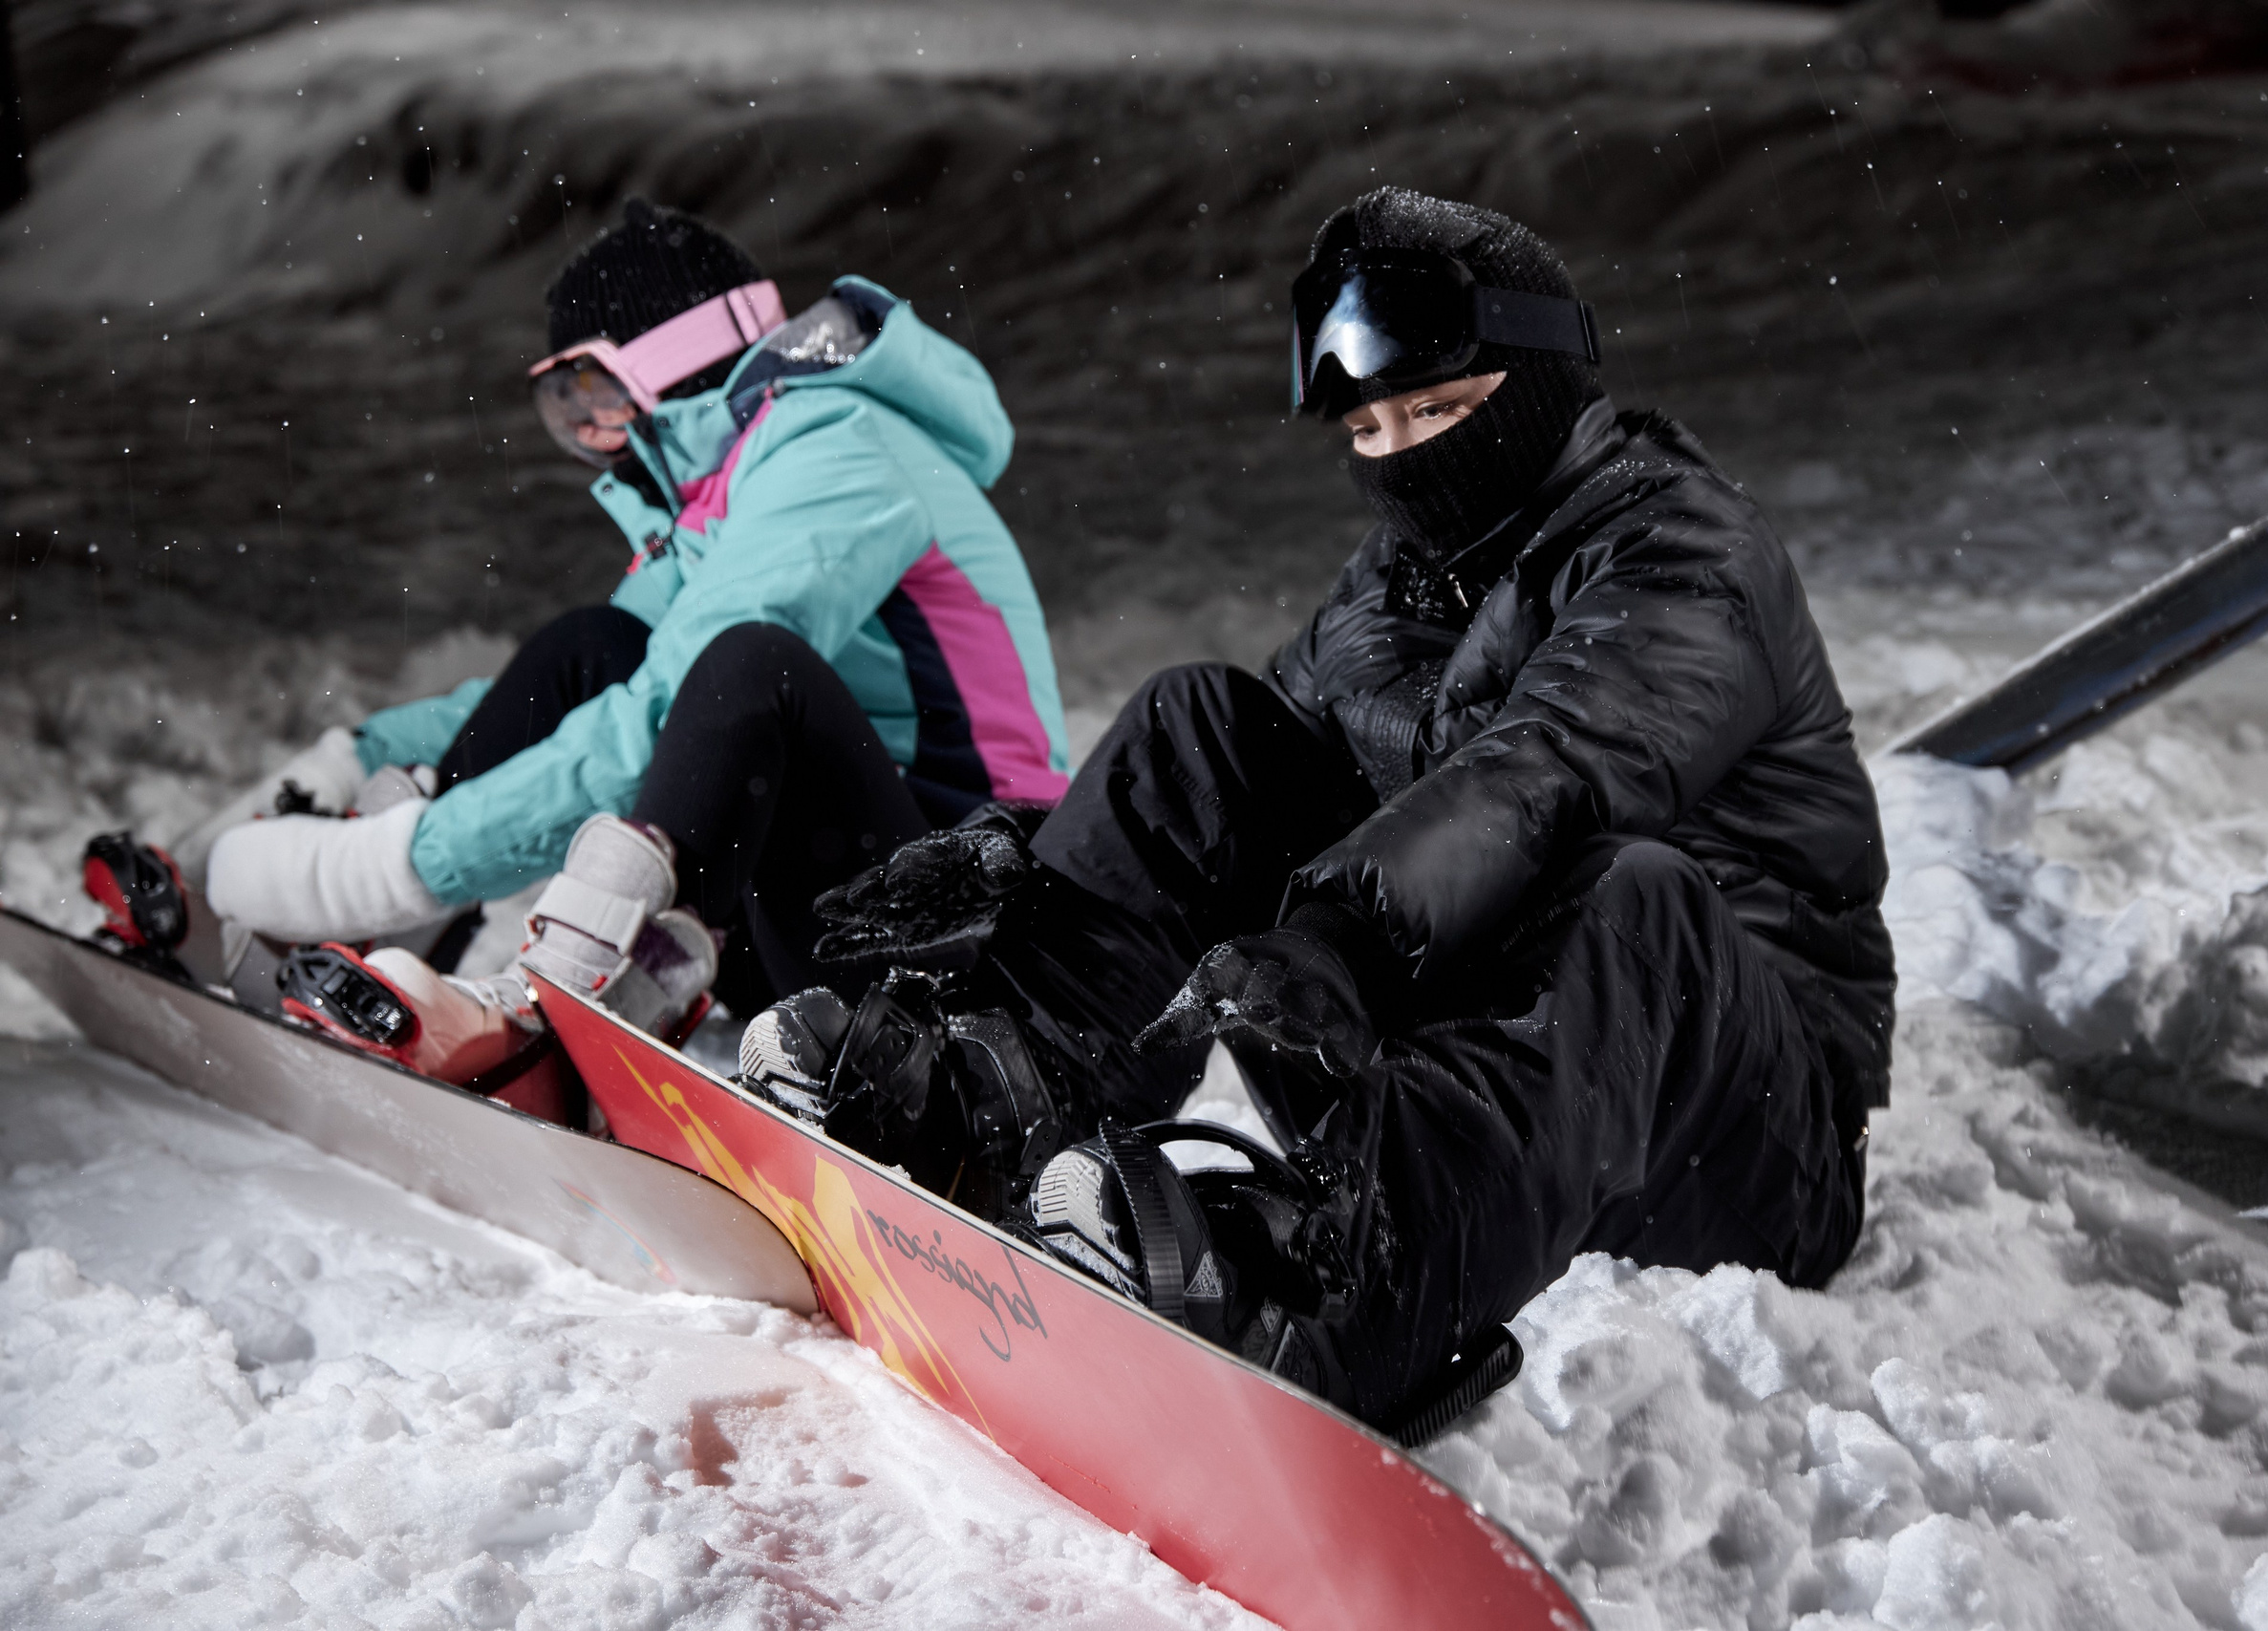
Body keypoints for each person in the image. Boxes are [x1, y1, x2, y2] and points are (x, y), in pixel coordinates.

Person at [731, 187, 1895, 1442]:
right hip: (1490, 1056)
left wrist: (1340, 933)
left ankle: (1325, 1313)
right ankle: (996, 1098)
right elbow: (1248, 773)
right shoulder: (1400, 582)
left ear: (1547, 383)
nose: (1407, 455)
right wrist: (1016, 849)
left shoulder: (1688, 553)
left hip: (1737, 1117)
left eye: (1443, 411)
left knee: (1635, 892)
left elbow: (1547, 768)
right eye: (1377, 425)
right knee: (1198, 724)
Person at [83, 199, 1069, 1090]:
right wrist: (351, 768)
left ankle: (529, 1005)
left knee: (743, 670)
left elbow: (661, 719)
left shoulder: (839, 456)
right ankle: (327, 950)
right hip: (837, 903)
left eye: (591, 390)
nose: (590, 428)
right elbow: (587, 690)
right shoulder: (728, 497)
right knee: (589, 644)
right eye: (569, 405)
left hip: (965, 929)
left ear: (669, 365)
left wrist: (401, 859)